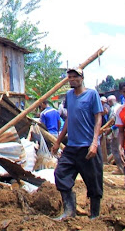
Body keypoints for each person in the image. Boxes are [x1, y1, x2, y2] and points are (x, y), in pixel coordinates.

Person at [51, 69, 104, 220]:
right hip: (72, 146)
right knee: (61, 174)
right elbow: (69, 119)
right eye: (70, 77)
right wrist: (58, 141)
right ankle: (69, 211)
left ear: (82, 78)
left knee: (93, 180)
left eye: (75, 77)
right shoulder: (69, 96)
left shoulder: (92, 94)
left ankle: (95, 215)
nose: (72, 79)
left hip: (87, 146)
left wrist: (95, 142)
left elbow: (98, 118)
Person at [108, 95, 125, 173]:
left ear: (110, 101)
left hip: (117, 131)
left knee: (116, 149)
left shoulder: (114, 109)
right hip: (120, 130)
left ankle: (121, 168)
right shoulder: (120, 107)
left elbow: (114, 121)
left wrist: (110, 129)